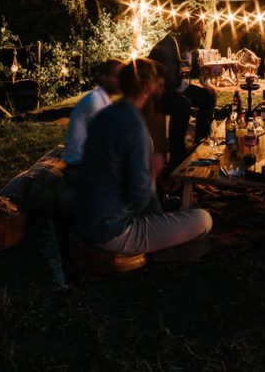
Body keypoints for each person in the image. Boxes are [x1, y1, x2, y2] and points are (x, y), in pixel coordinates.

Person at [76, 58, 213, 257]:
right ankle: (164, 254)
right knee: (203, 219)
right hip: (113, 232)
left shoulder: (104, 115)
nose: (161, 88)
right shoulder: (135, 127)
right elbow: (140, 199)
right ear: (148, 86)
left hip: (86, 218)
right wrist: (153, 172)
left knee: (167, 212)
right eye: (158, 83)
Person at [148, 17, 216, 169]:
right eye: (198, 31)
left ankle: (200, 144)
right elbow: (170, 81)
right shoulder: (169, 47)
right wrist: (184, 84)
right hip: (157, 93)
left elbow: (193, 72)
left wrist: (206, 83)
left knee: (208, 97)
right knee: (182, 105)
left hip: (177, 88)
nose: (201, 35)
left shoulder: (187, 47)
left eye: (202, 31)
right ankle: (176, 159)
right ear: (186, 30)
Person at [62, 59, 123, 169]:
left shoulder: (104, 100)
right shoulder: (95, 100)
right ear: (104, 77)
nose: (121, 81)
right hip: (80, 165)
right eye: (117, 76)